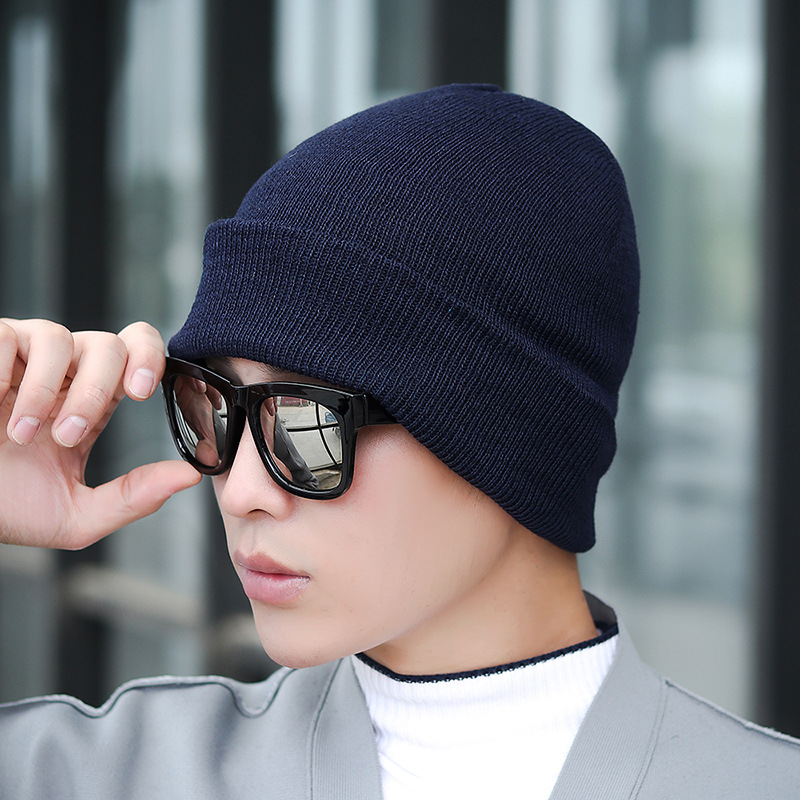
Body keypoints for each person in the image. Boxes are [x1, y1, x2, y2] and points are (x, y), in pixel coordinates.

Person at [0, 84, 797, 799]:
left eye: (308, 420)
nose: (241, 490)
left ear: (508, 439)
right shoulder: (96, 773)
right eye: (210, 404)